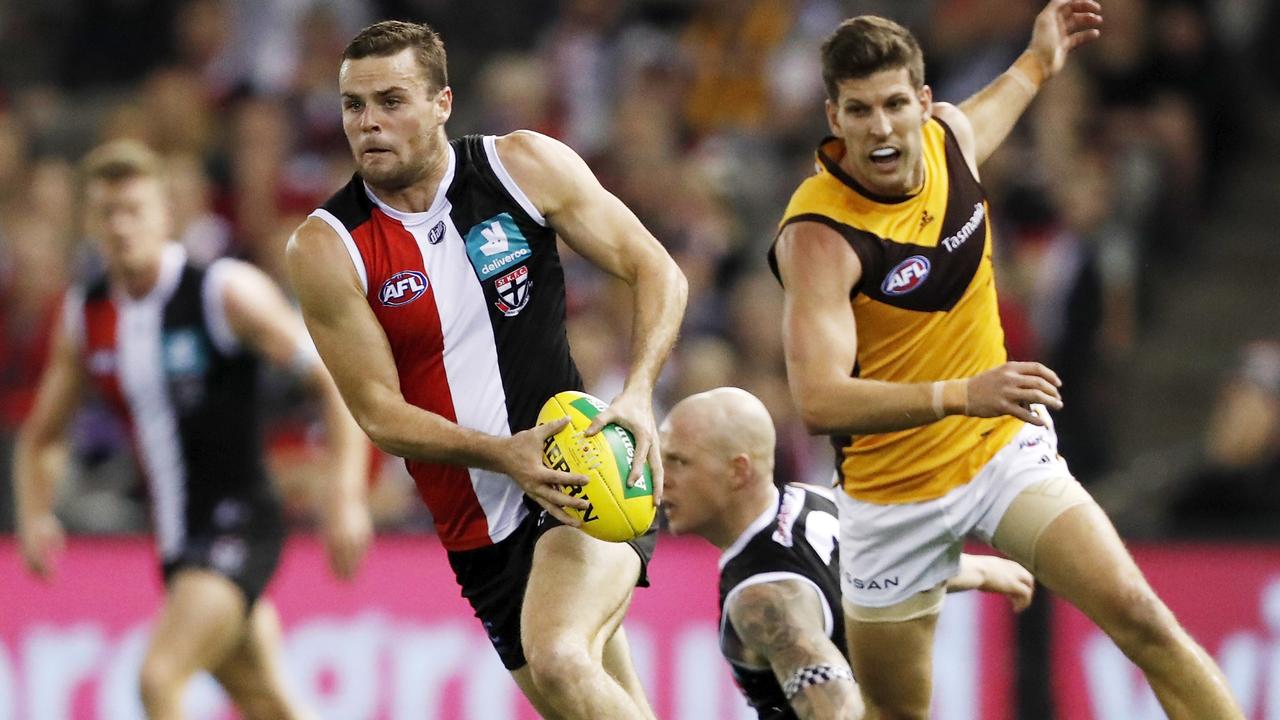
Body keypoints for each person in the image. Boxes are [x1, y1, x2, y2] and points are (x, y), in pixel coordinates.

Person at [769, 3, 1245, 718]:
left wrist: (1039, 61)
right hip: (891, 499)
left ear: (923, 104)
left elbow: (996, 107)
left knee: (1141, 616)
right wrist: (962, 393)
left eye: (896, 104)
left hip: (998, 456)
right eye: (860, 110)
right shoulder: (820, 236)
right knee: (896, 712)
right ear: (834, 119)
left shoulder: (947, 140)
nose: (882, 127)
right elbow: (818, 402)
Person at [285, 20, 686, 720]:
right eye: (354, 106)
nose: (369, 123)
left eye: (391, 100)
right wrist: (503, 455)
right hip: (476, 535)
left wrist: (641, 391)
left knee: (561, 658)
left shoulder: (521, 167)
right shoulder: (327, 247)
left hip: (579, 477)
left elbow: (656, 269)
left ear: (442, 102)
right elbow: (378, 412)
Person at [12, 140, 372, 720]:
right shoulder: (88, 315)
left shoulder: (221, 291)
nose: (122, 226)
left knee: (159, 678)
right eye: (108, 213)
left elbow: (331, 381)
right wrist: (34, 514)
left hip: (240, 526)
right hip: (179, 541)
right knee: (267, 702)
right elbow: (41, 436)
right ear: (89, 224)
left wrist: (345, 494)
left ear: (165, 216)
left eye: (135, 210)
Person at [660, 387, 1035, 720]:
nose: (663, 477)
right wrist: (983, 571)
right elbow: (886, 566)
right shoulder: (815, 501)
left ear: (738, 471)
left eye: (679, 461)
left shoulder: (764, 597)